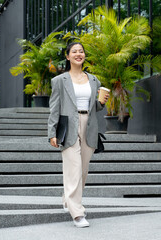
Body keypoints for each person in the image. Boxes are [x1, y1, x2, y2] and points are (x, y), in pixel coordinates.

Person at [48, 42, 109, 228]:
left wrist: (102, 102)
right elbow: (54, 107)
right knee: (73, 169)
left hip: (89, 125)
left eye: (81, 51)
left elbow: (96, 107)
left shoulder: (93, 80)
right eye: (74, 51)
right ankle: (78, 213)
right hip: (68, 127)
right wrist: (52, 132)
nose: (78, 54)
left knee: (82, 172)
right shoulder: (59, 80)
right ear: (68, 57)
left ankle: (68, 199)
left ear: (84, 56)